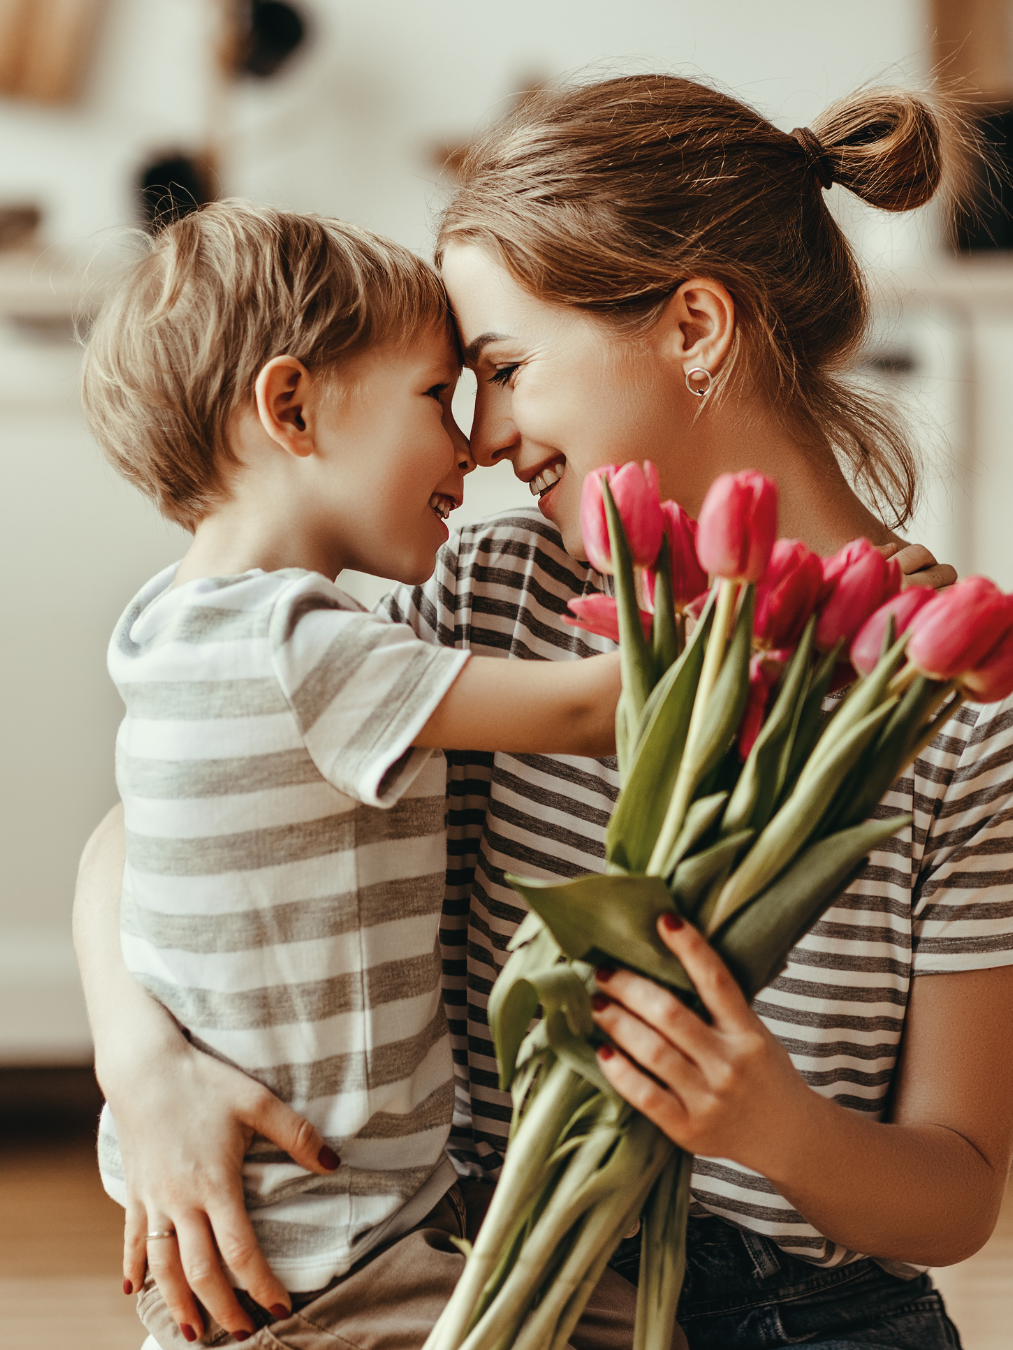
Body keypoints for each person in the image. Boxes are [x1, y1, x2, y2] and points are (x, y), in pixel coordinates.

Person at [73, 76, 1013, 1350]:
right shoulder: (495, 591)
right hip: (477, 1273)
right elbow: (169, 816)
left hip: (795, 1315)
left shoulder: (976, 717)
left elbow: (955, 1197)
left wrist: (768, 1121)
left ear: (697, 326)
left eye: (500, 368)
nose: (481, 438)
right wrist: (142, 1067)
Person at [78, 200, 641, 1350]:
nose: (471, 445)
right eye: (438, 396)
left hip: (293, 1224)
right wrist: (824, 608)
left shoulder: (169, 623)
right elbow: (596, 709)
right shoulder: (302, 649)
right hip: (329, 1250)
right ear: (291, 407)